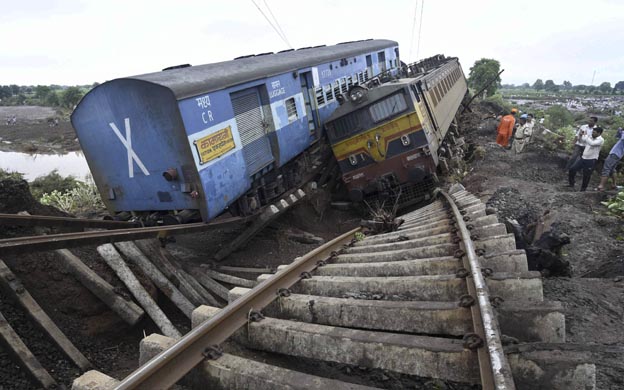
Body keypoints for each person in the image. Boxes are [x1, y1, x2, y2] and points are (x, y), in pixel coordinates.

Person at [568, 126, 604, 191]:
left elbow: (592, 143)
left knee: (586, 175)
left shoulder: (600, 140)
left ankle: (583, 189)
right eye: (592, 132)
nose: (592, 133)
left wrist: (586, 136)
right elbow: (583, 140)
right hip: (583, 158)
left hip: (591, 159)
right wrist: (582, 135)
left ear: (599, 133)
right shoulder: (590, 137)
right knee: (572, 169)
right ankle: (571, 184)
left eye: (594, 132)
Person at [596, 127, 624, 191]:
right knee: (612, 169)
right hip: (618, 155)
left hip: (615, 154)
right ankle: (614, 185)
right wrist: (619, 131)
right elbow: (617, 136)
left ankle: (601, 186)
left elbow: (622, 137)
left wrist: (622, 131)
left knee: (606, 168)